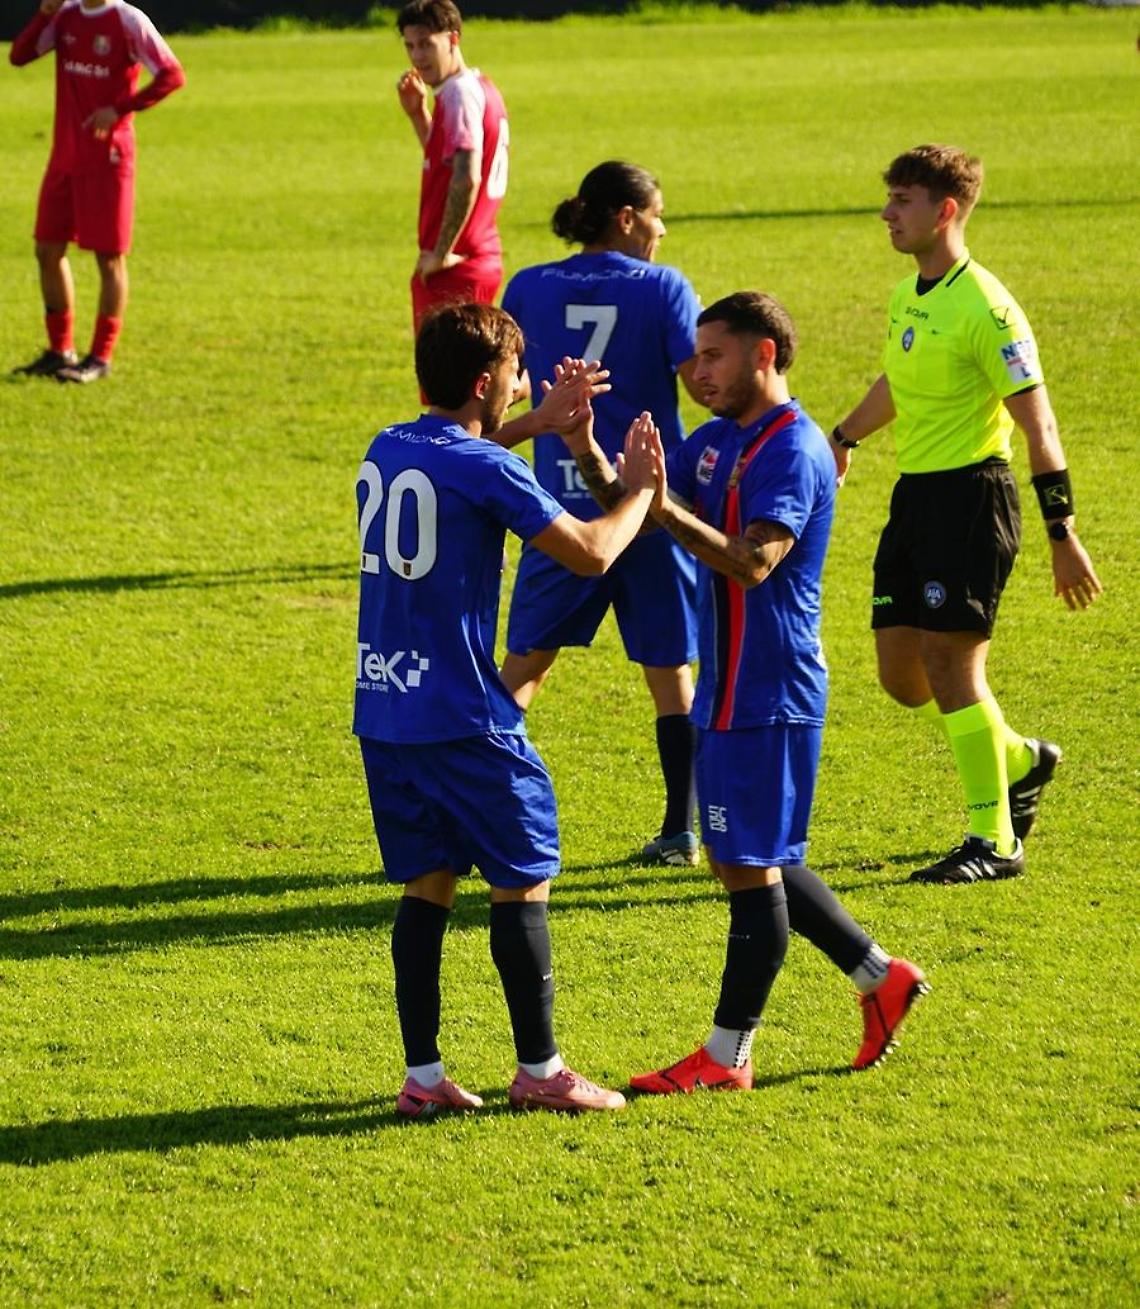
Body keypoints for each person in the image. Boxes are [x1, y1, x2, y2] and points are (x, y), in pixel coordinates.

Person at [563, 292, 927, 1092]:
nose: (697, 372)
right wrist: (586, 447)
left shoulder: (791, 449)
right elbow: (637, 512)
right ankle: (878, 975)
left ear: (765, 354)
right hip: (727, 686)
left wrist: (660, 506)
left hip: (770, 688)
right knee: (743, 858)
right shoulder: (716, 441)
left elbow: (754, 560)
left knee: (748, 862)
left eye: (714, 356)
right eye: (695, 358)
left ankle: (728, 1057)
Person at [354, 302, 659, 1118]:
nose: (525, 384)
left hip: (385, 709)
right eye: (518, 377)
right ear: (486, 381)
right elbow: (592, 555)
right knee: (526, 878)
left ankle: (422, 1079)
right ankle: (541, 1069)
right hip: (465, 715)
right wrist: (635, 495)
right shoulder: (487, 468)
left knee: (428, 883)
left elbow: (468, 458)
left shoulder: (388, 444)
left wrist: (536, 420)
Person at [831, 145, 1103, 885]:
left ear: (945, 210)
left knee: (952, 664)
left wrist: (1063, 532)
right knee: (904, 675)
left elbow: (1041, 428)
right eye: (889, 198)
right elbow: (899, 376)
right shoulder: (908, 295)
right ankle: (1019, 757)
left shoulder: (989, 307)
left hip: (973, 499)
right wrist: (845, 435)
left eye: (903, 200)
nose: (887, 213)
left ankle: (995, 838)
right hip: (914, 498)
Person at [499, 161, 704, 866]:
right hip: (649, 510)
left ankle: (468, 818)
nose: (662, 229)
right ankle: (681, 829)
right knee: (671, 675)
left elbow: (507, 387)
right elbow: (702, 381)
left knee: (522, 670)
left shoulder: (526, 285)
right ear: (626, 218)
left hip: (556, 510)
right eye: (657, 215)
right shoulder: (665, 287)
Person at [9, 0, 185, 383]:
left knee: (109, 258)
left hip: (108, 157)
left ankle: (100, 358)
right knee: (47, 249)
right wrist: (44, 14)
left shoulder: (127, 19)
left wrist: (120, 108)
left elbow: (172, 74)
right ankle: (59, 351)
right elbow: (19, 57)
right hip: (65, 156)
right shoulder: (66, 15)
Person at [395, 0, 508, 334]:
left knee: (448, 385)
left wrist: (441, 253)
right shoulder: (478, 87)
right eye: (410, 46)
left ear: (453, 39)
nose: (417, 56)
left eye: (427, 43)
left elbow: (466, 177)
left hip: (457, 267)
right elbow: (448, 163)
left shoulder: (459, 93)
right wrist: (418, 115)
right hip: (475, 258)